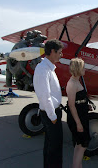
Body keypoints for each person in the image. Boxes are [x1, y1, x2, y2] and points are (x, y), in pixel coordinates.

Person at [33, 39, 64, 168]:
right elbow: (45, 96)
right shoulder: (43, 69)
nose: (61, 55)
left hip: (52, 113)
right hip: (51, 114)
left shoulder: (48, 68)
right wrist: (53, 117)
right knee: (54, 149)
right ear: (52, 51)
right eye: (60, 52)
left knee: (51, 146)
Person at [66, 58, 91, 168]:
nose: (85, 69)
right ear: (78, 68)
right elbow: (71, 105)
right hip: (78, 118)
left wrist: (86, 104)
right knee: (83, 144)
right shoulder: (72, 83)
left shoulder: (76, 81)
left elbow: (77, 101)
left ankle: (77, 166)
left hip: (82, 115)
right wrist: (78, 123)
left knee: (79, 144)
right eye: (83, 67)